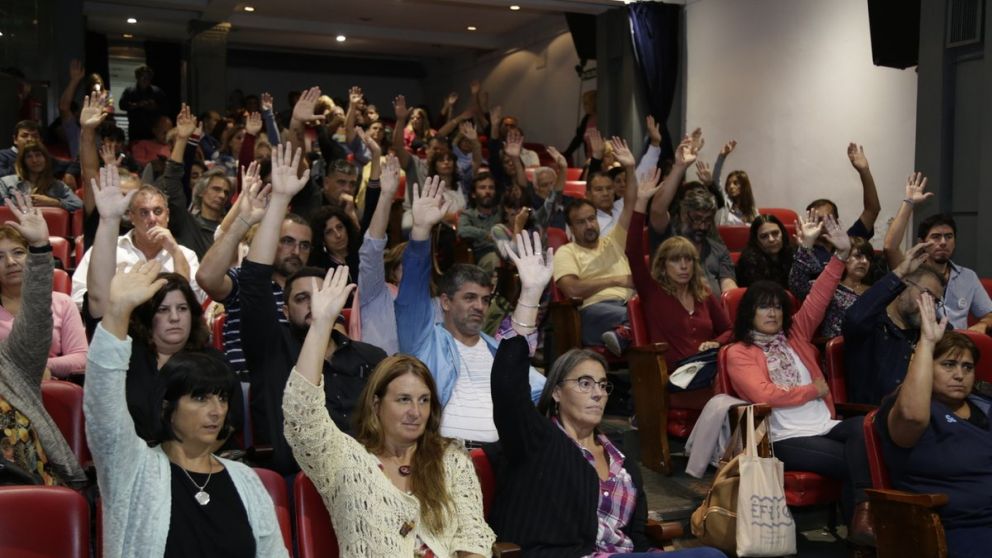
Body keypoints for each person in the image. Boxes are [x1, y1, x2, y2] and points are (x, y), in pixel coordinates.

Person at [282, 265, 495, 556]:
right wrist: (321, 326)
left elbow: (472, 537)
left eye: (424, 400)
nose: (415, 411)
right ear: (377, 404)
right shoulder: (345, 460)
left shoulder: (452, 460)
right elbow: (301, 416)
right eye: (404, 399)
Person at [84, 261, 288, 558]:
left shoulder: (245, 480)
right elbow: (103, 408)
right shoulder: (133, 469)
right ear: (168, 407)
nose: (217, 411)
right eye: (201, 398)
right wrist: (116, 314)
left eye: (221, 398)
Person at [487, 335, 727, 557]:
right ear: (557, 392)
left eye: (603, 385)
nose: (598, 394)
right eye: (585, 383)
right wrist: (529, 301)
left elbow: (637, 537)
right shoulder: (538, 440)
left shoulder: (623, 462)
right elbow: (508, 389)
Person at [724, 214, 874, 543]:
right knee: (861, 462)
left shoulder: (796, 335)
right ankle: (862, 531)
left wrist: (840, 256)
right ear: (749, 312)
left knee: (871, 429)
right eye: (764, 308)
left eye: (777, 307)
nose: (773, 313)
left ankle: (861, 523)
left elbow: (819, 296)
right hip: (785, 437)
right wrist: (812, 390)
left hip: (825, 425)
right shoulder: (739, 352)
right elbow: (765, 394)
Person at [238, 144, 385, 475]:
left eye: (321, 295)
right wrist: (278, 201)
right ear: (285, 311)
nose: (315, 302)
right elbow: (253, 280)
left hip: (368, 480)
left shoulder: (369, 357)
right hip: (298, 481)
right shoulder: (270, 348)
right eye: (301, 298)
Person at [83, 166, 240, 441]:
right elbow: (98, 301)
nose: (176, 317)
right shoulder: (127, 358)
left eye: (181, 310)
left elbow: (227, 433)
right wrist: (108, 221)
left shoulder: (213, 364)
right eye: (164, 310)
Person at [396, 177, 549, 447]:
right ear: (445, 302)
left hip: (503, 457)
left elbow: (537, 388)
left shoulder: (497, 349)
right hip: (447, 455)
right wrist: (420, 233)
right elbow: (411, 290)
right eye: (469, 298)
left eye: (484, 299)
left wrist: (531, 291)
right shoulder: (423, 340)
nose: (479, 306)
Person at [878, 294, 992, 558]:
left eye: (967, 367)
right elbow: (912, 417)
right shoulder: (908, 406)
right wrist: (927, 343)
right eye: (948, 364)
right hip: (956, 527)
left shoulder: (983, 405)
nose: (960, 374)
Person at [0, 193, 86, 487]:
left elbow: (37, 316)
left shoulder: (12, 361)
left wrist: (38, 249)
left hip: (22, 475)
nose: (10, 262)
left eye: (16, 253)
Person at [626, 168, 732, 368]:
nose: (684, 266)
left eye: (689, 260)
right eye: (676, 260)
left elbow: (729, 330)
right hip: (674, 376)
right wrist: (640, 203)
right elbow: (633, 252)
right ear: (664, 266)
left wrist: (716, 342)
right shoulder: (652, 292)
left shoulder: (703, 294)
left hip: (709, 370)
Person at [554, 137, 639, 355]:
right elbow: (572, 289)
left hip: (627, 304)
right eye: (581, 222)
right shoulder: (566, 252)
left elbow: (631, 204)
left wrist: (629, 168)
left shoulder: (613, 241)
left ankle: (625, 334)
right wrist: (618, 280)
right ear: (571, 228)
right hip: (594, 311)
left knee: (653, 310)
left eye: (591, 219)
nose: (589, 225)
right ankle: (626, 331)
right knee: (639, 316)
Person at [72, 178, 205, 309]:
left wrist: (175, 251)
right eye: (144, 213)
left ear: (168, 215)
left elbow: (194, 302)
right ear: (132, 217)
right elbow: (78, 296)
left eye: (158, 211)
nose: (152, 219)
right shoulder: (108, 250)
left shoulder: (185, 255)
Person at [883, 172, 992, 333]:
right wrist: (909, 202)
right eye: (935, 237)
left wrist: (983, 325)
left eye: (948, 237)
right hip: (920, 343)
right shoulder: (911, 270)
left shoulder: (968, 277)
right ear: (922, 243)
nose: (943, 242)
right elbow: (890, 247)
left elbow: (989, 314)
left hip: (957, 346)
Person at [842, 241, 943, 405]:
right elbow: (854, 318)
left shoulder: (927, 331)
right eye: (927, 295)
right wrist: (900, 273)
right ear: (904, 286)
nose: (930, 305)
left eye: (936, 301)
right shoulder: (870, 324)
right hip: (874, 418)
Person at [647, 135, 737, 295]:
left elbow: (729, 289)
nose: (701, 226)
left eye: (707, 220)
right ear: (682, 214)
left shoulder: (718, 250)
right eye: (696, 219)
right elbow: (657, 210)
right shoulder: (667, 238)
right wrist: (679, 167)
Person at [0, 225, 87, 377]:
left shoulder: (63, 303)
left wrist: (45, 366)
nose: (10, 262)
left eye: (18, 252)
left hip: (50, 387)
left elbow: (81, 357)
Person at [790, 225, 877, 338]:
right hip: (839, 349)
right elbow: (798, 285)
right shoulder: (829, 289)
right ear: (845, 257)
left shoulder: (875, 290)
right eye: (858, 256)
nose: (865, 261)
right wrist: (805, 246)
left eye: (868, 258)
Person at [0, 143, 83, 211]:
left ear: (46, 159)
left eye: (38, 155)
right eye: (29, 156)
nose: (34, 160)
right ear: (23, 161)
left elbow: (79, 205)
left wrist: (54, 202)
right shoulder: (6, 182)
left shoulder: (57, 185)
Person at [457, 172, 504, 274]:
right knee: (494, 259)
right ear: (473, 194)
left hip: (506, 254)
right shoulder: (468, 215)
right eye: (482, 188)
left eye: (491, 188)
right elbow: (462, 231)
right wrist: (486, 235)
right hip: (483, 255)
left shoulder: (502, 213)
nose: (487, 191)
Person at [735, 215, 795, 288]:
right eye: (764, 236)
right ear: (756, 241)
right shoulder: (749, 261)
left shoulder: (793, 252)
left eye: (775, 233)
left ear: (782, 233)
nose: (771, 239)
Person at [119, 65, 167, 142]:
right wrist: (137, 105)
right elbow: (122, 105)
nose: (145, 80)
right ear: (137, 78)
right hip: (135, 131)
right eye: (143, 77)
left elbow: (165, 108)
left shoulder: (157, 92)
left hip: (153, 132)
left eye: (148, 78)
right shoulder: (129, 91)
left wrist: (154, 106)